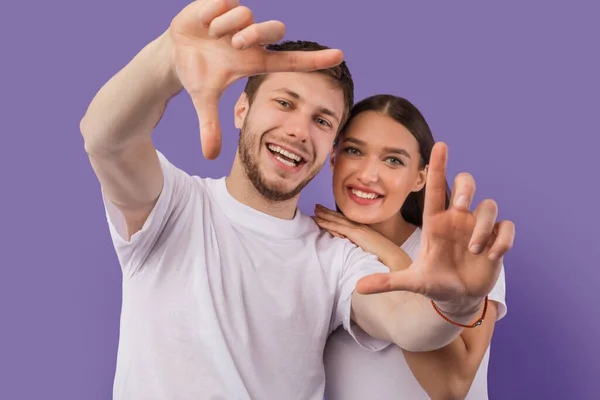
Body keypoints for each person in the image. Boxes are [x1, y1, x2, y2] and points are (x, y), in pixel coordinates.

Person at [79, 0, 514, 398]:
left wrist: (457, 303)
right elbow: (106, 141)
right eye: (284, 103)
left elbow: (406, 321)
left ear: (328, 151)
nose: (299, 131)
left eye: (322, 121)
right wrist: (164, 62)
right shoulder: (174, 205)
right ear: (241, 110)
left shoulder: (335, 254)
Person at [315, 94, 513, 399]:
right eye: (354, 150)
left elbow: (452, 387)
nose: (368, 175)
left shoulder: (461, 256)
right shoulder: (316, 253)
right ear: (333, 158)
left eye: (393, 160)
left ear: (420, 178)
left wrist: (391, 254)